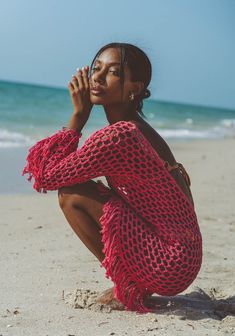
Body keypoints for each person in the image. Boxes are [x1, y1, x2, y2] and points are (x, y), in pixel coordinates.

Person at [23, 42, 202, 313]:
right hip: (184, 258)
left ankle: (128, 286)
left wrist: (79, 115)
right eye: (96, 68)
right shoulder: (138, 129)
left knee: (71, 193)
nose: (97, 76)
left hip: (169, 261)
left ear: (135, 88)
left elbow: (48, 175)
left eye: (114, 72)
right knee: (86, 189)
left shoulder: (119, 137)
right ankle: (133, 281)